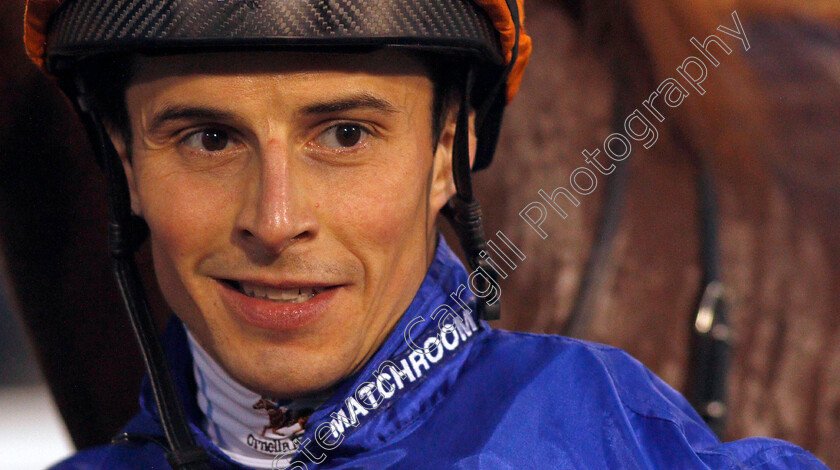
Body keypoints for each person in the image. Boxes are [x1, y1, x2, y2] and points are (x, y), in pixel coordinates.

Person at [24, 0, 828, 469]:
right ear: (126, 164)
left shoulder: (616, 444)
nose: (274, 222)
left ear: (448, 153)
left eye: (344, 135)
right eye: (208, 139)